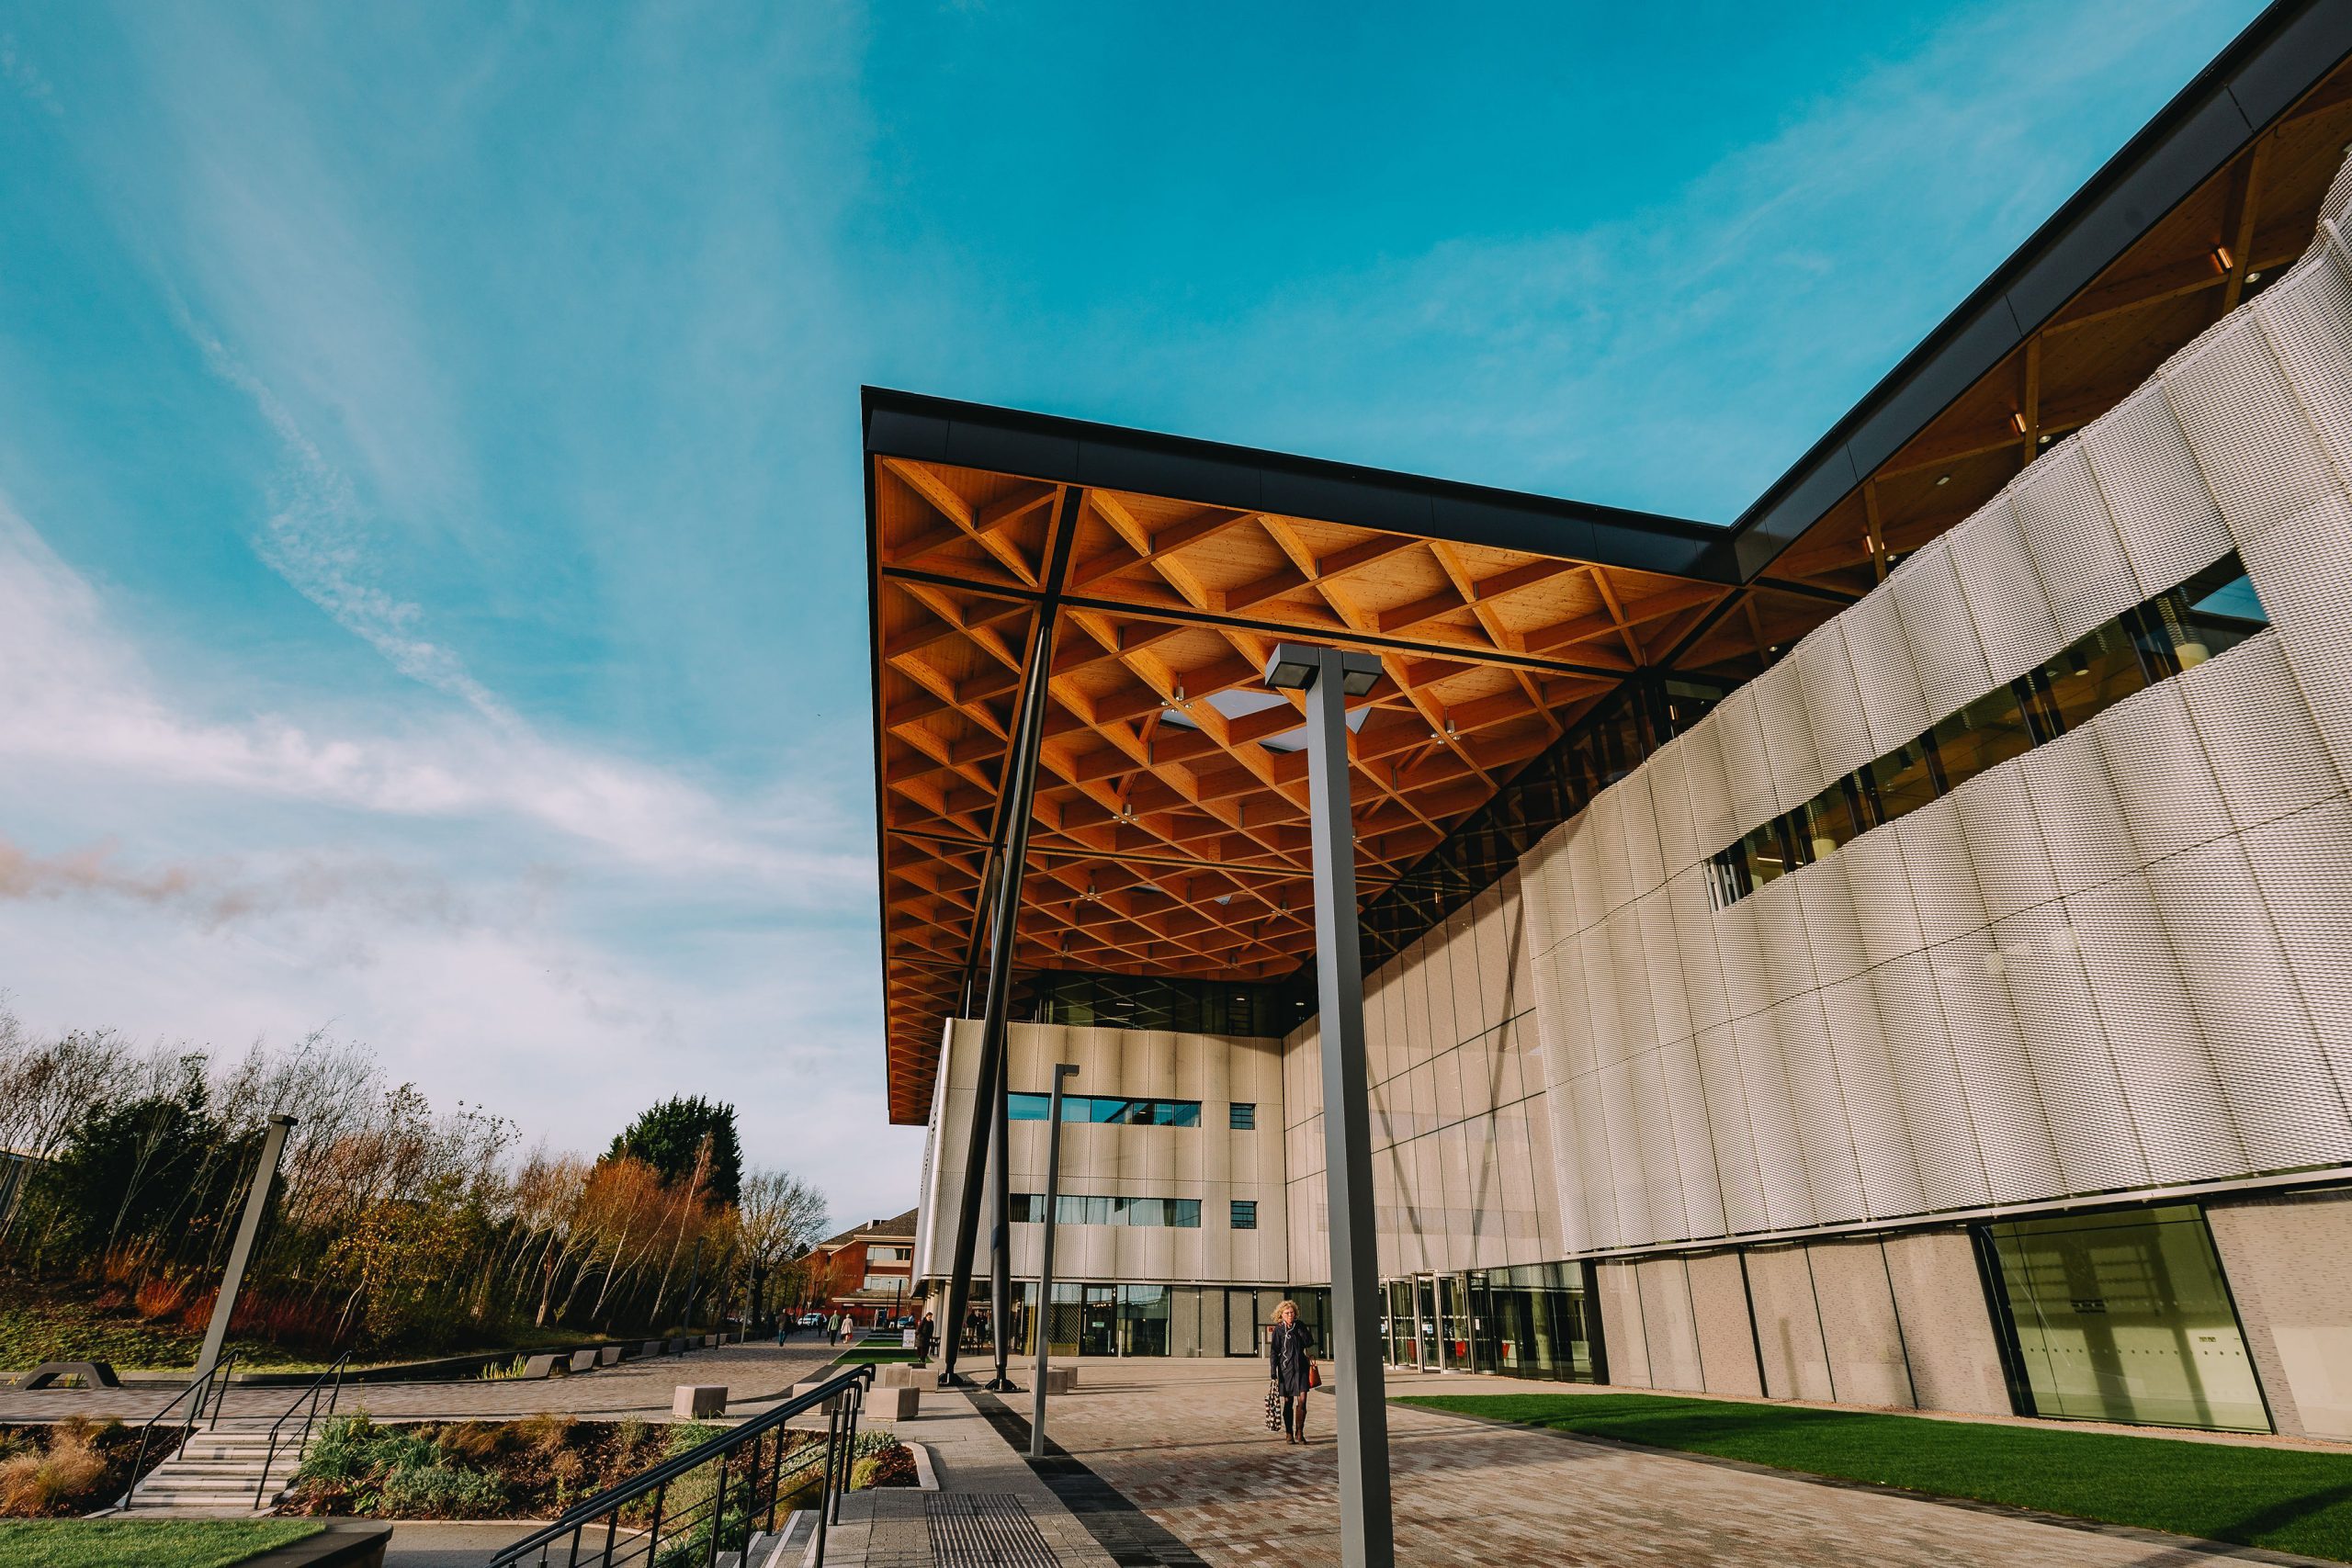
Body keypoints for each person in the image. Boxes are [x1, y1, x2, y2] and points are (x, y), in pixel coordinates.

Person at [1267, 1299, 1317, 1445]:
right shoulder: (1278, 1330)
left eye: (1292, 1313)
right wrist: (1273, 1372)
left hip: (1301, 1368)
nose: (1290, 1315)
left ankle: (1300, 1432)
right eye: (1287, 1313)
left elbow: (1309, 1342)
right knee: (1288, 1402)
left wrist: (1301, 1331)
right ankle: (1289, 1433)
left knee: (1303, 1401)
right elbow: (1274, 1352)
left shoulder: (1299, 1325)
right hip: (1286, 1370)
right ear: (1281, 1315)